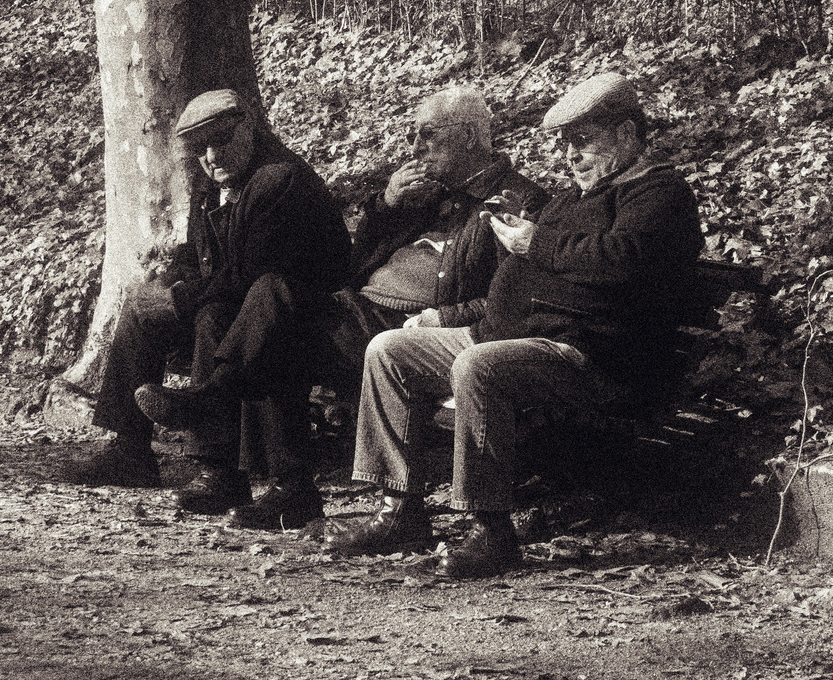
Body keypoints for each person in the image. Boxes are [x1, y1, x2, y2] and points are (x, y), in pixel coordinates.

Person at [325, 72, 703, 578]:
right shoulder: (573, 201)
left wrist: (535, 244)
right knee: (390, 349)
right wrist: (454, 314)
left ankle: (491, 531)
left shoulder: (660, 194)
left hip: (589, 353)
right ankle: (400, 509)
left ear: (628, 135)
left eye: (583, 141)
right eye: (567, 143)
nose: (571, 155)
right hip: (508, 336)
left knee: (479, 366)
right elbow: (517, 280)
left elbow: (625, 260)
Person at [222, 85, 549, 530]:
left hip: (421, 329)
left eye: (427, 135)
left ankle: (271, 462)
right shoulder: (425, 193)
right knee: (272, 300)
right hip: (364, 310)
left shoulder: (518, 201)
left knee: (278, 330)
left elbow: (511, 298)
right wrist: (387, 205)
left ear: (471, 137)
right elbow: (354, 260)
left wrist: (444, 318)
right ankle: (289, 486)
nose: (415, 148)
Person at [62, 88, 352, 521]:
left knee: (212, 316)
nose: (212, 156)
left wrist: (180, 299)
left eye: (221, 141)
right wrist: (169, 286)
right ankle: (130, 448)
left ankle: (221, 472)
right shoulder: (214, 185)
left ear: (249, 128)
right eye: (201, 148)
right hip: (247, 303)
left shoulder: (278, 178)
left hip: (304, 316)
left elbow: (251, 275)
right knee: (143, 308)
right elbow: (207, 261)